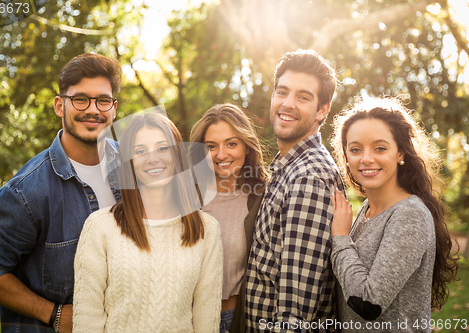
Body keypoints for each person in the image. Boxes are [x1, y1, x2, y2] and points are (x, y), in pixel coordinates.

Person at [0, 53, 122, 333]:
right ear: (59, 106)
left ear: (113, 108)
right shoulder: (27, 191)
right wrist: (54, 314)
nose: (93, 109)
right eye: (80, 99)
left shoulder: (136, 167)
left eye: (102, 100)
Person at [72, 111, 223, 332]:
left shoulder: (207, 230)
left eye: (163, 148)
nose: (153, 158)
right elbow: (87, 320)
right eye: (140, 151)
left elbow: (206, 322)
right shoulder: (100, 227)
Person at [330, 97, 458, 332]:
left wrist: (340, 239)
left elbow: (368, 303)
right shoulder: (367, 210)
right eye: (356, 149)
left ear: (400, 153)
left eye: (380, 148)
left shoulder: (410, 214)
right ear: (346, 158)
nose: (366, 158)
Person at [244, 49, 346, 332]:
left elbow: (294, 313)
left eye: (303, 97)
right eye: (282, 92)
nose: (287, 104)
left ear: (322, 110)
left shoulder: (309, 178)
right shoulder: (288, 167)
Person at [190, 103, 269, 333]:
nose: (221, 154)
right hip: (188, 320)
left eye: (231, 144)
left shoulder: (263, 198)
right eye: (211, 146)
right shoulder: (185, 197)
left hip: (237, 319)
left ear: (246, 146)